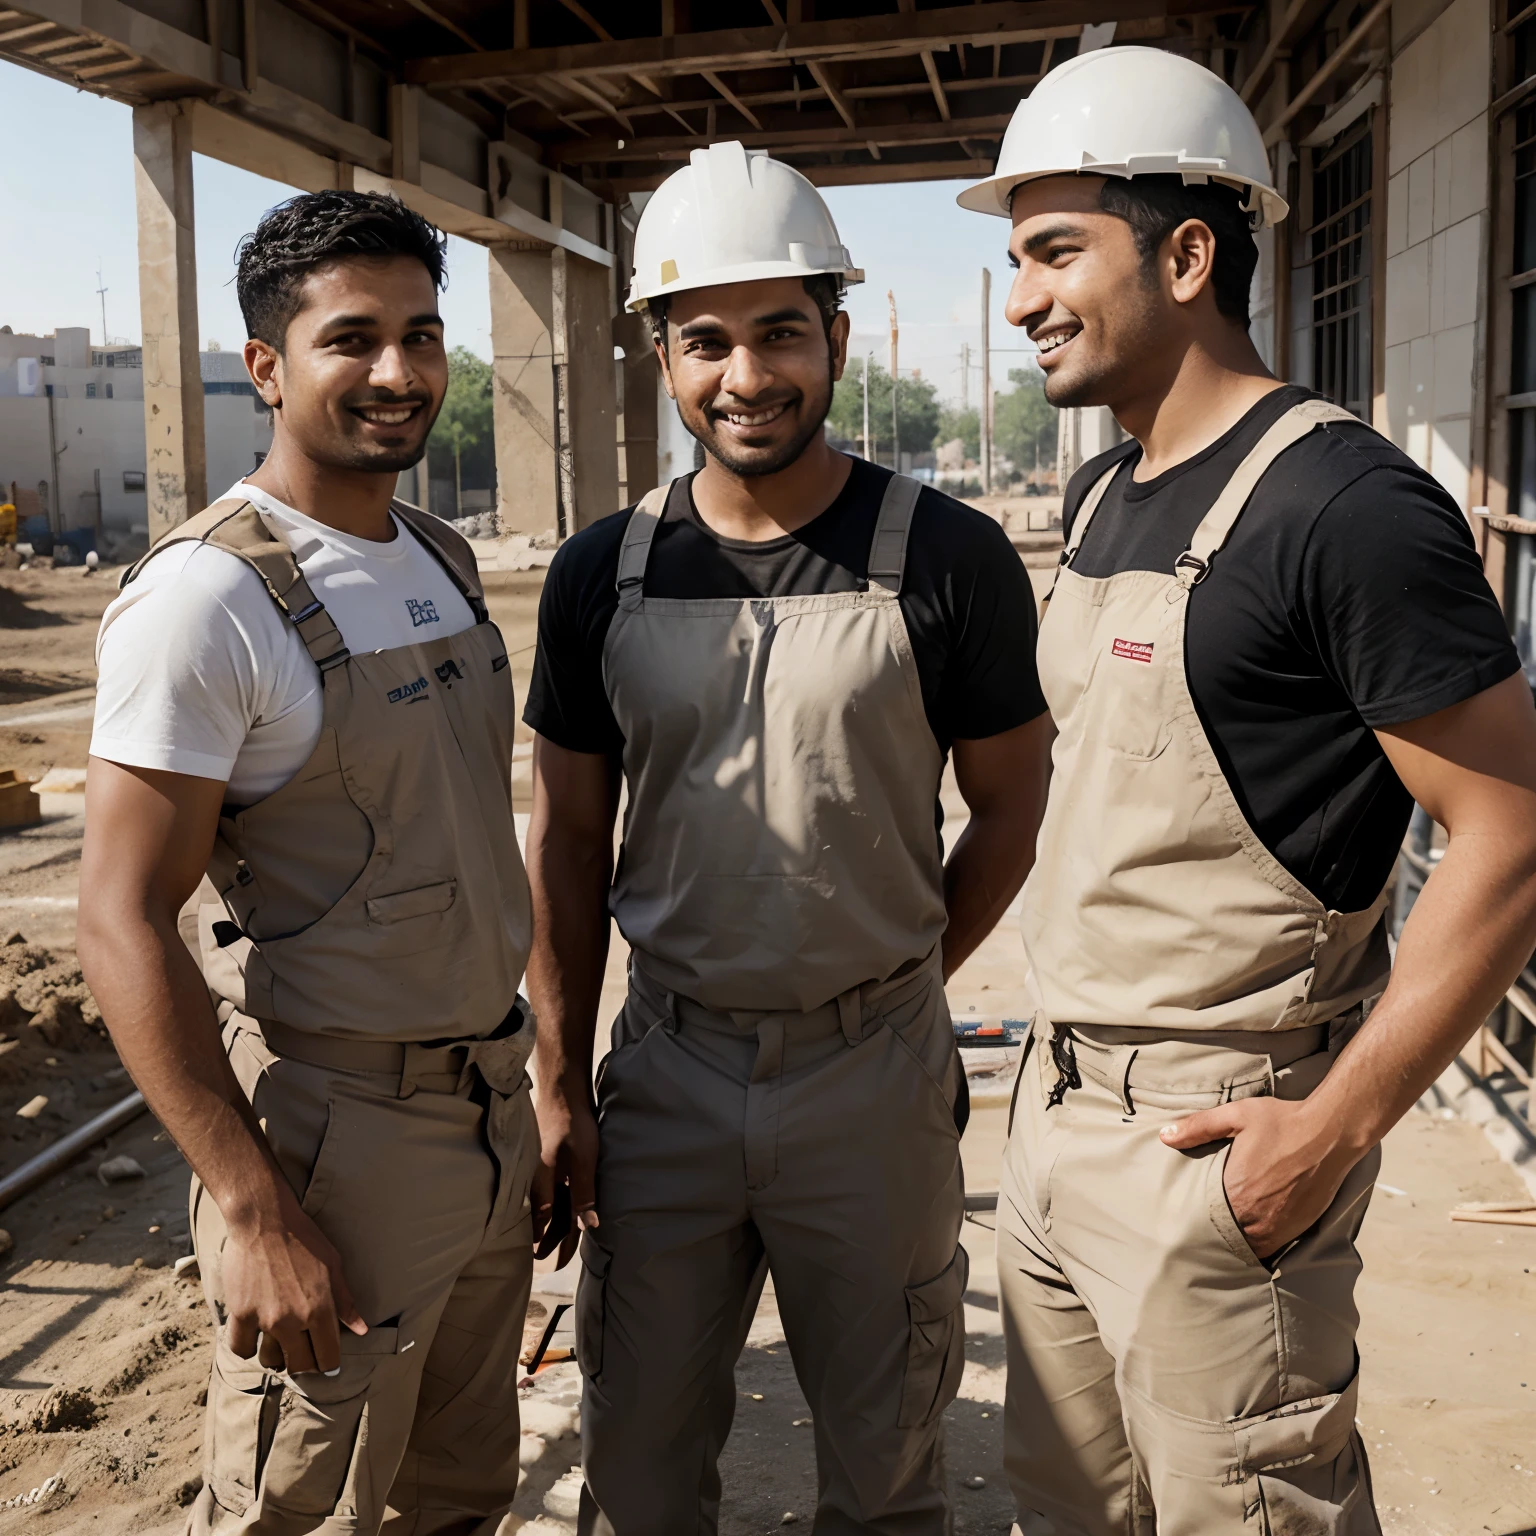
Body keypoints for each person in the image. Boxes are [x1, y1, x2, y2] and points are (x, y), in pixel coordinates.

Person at [955, 45, 1536, 1534]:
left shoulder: (1344, 509)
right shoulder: (1102, 492)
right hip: (1059, 1117)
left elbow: (1512, 838)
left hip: (1220, 1153)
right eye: (1016, 257)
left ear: (1190, 252)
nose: (1019, 299)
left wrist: (1333, 1130)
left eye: (1054, 251)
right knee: (1067, 1511)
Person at [523, 140, 1052, 1535]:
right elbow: (569, 844)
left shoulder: (948, 556)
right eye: (707, 341)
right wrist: (561, 1080)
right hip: (670, 1076)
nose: (747, 376)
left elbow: (1012, 806)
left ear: (833, 331)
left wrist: (903, 974)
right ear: (659, 351)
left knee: (884, 1477)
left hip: (869, 1081)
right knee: (635, 1474)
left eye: (780, 334)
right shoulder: (599, 574)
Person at [77, 190, 539, 1536]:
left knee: (458, 1495)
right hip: (339, 1150)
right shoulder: (208, 599)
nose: (399, 373)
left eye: (422, 335)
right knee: (305, 1509)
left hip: (480, 1114)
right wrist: (255, 1204)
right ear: (266, 366)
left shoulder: (435, 557)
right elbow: (117, 918)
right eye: (353, 339)